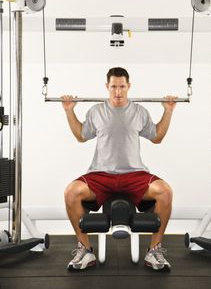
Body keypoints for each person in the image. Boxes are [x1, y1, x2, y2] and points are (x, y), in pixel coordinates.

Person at [62, 67, 176, 271]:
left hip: (134, 174)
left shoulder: (140, 111)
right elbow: (81, 135)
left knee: (165, 191)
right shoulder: (96, 111)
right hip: (101, 174)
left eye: (122, 86)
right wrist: (69, 110)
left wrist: (168, 111)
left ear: (129, 86)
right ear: (107, 86)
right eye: (113, 86)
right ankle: (85, 250)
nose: (118, 92)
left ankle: (154, 250)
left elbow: (157, 137)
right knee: (71, 192)